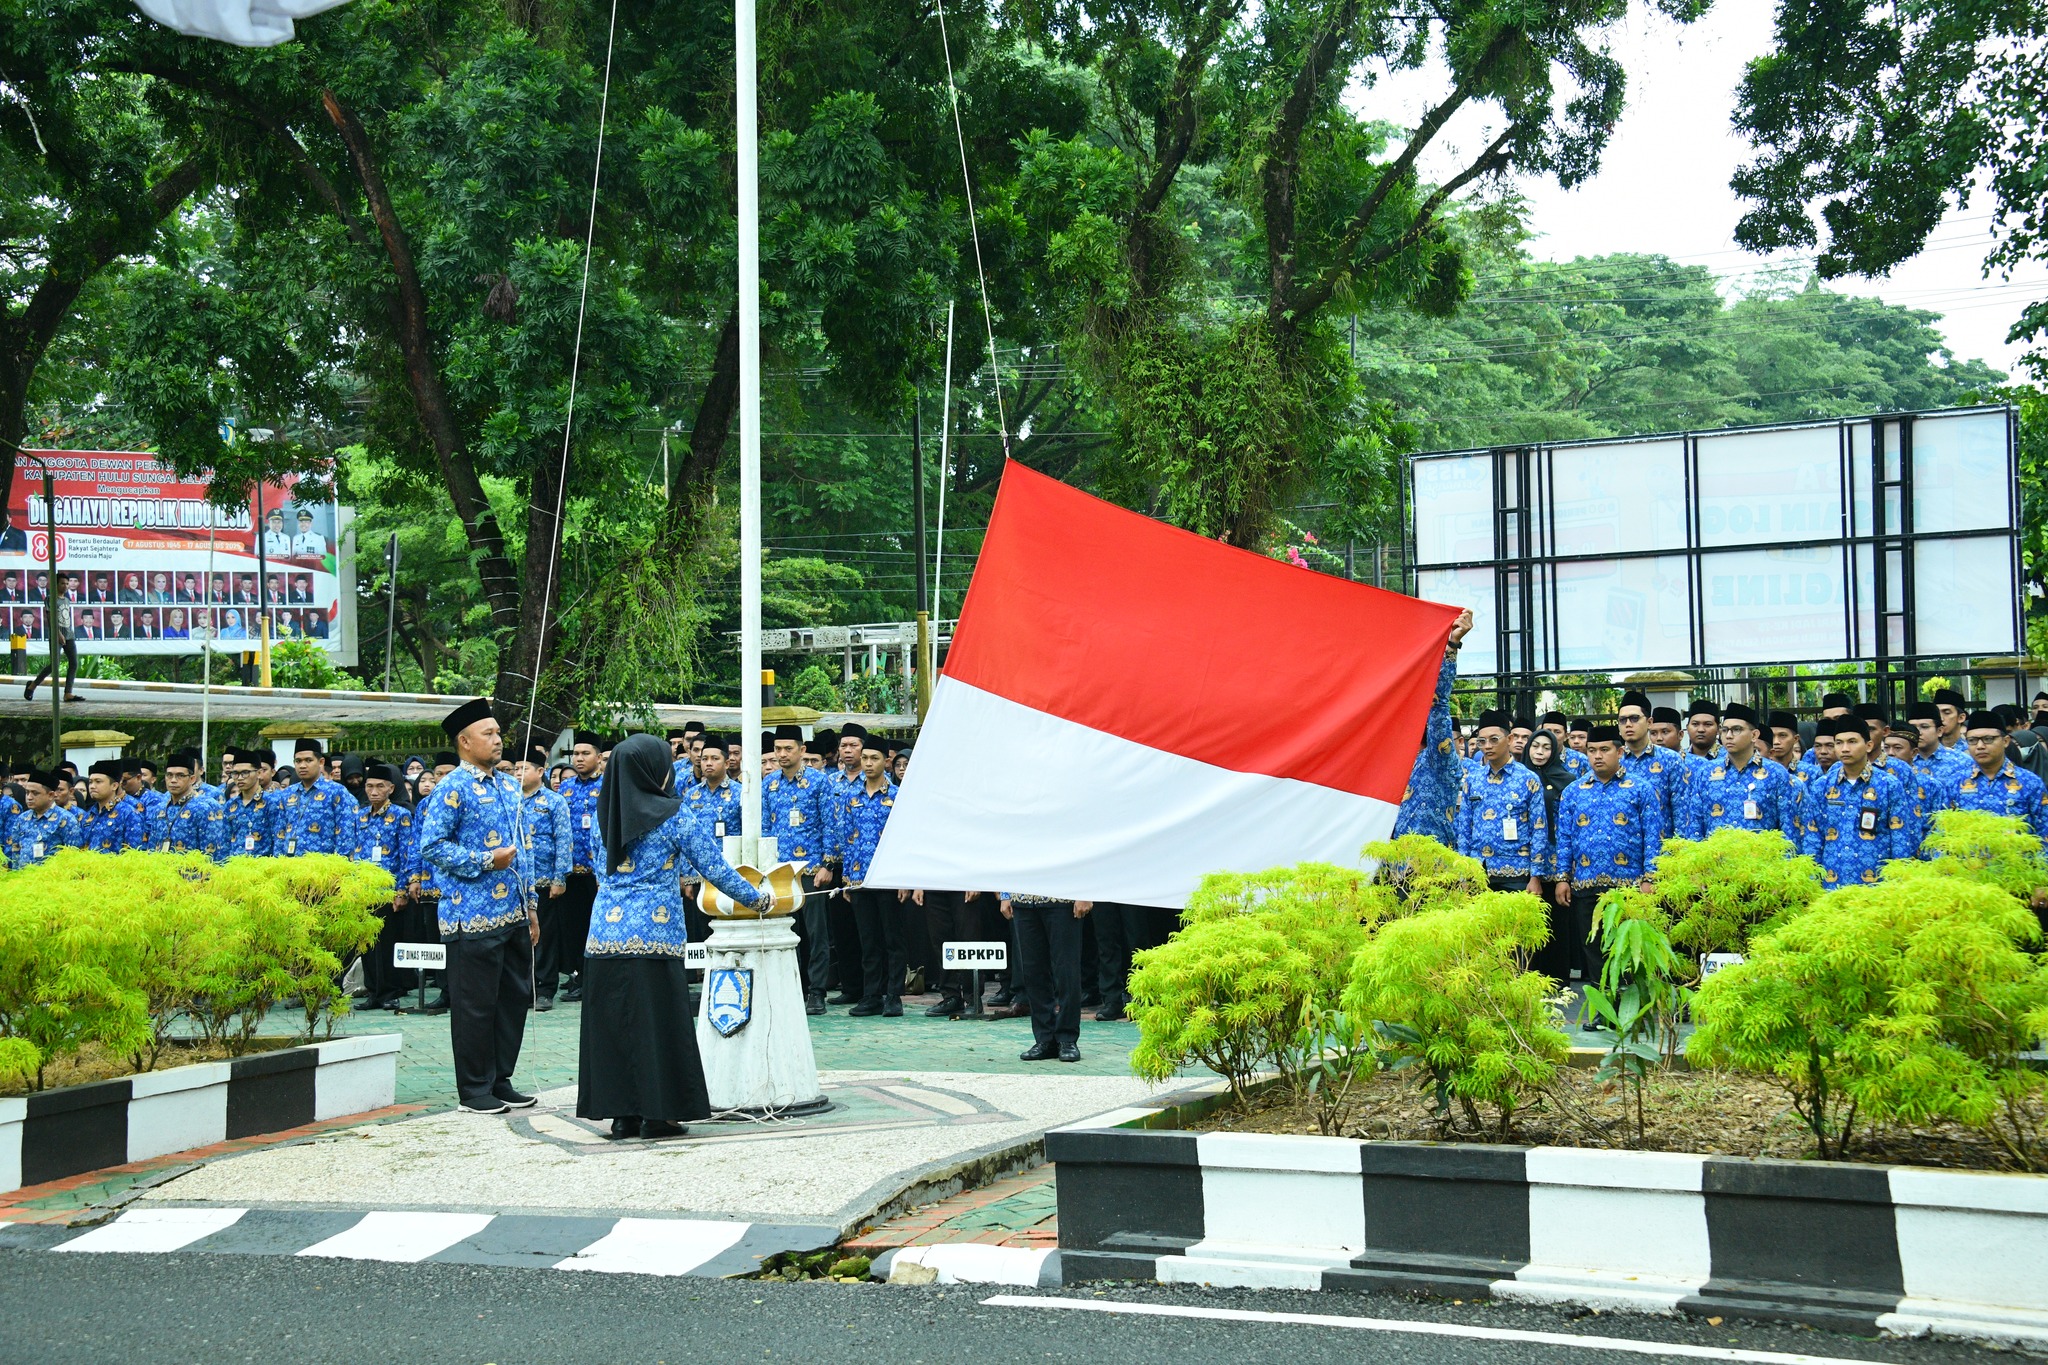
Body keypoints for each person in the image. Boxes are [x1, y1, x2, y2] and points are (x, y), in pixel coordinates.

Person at [579, 733, 768, 1140]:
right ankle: (659, 1115)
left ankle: (621, 1115)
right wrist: (760, 899)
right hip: (656, 933)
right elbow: (714, 870)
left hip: (604, 936)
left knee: (613, 1026)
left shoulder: (602, 814)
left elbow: (600, 871)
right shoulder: (673, 815)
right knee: (657, 1026)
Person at [417, 698, 539, 1114]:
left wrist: (533, 905)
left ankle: (500, 1079)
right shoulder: (451, 788)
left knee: (511, 1001)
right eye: (488, 733)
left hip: (515, 913)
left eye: (499, 733)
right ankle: (474, 1090)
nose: (498, 739)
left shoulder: (509, 785)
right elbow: (431, 845)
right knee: (475, 1006)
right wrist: (485, 861)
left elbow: (526, 847)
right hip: (470, 915)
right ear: (465, 742)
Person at [1550, 724, 1663, 988]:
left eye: (1604, 750)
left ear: (1620, 751)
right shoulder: (1574, 791)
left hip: (1629, 886)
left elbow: (1653, 837)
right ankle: (1603, 1009)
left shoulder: (1640, 789)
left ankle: (1630, 1006)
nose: (1597, 756)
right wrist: (1562, 878)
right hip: (1586, 884)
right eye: (1591, 751)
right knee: (1593, 947)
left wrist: (1650, 878)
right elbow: (1564, 838)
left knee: (1628, 947)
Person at [762, 724, 833, 1013]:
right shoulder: (769, 785)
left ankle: (817, 992)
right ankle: (791, 988)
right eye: (778, 749)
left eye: (788, 748)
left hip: (812, 870)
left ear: (802, 750)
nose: (781, 754)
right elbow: (765, 828)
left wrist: (827, 864)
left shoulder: (819, 782)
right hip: (779, 874)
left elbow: (830, 823)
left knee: (817, 934)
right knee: (784, 932)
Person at [1391, 608, 1475, 844]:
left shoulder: (1438, 759)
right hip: (1392, 871)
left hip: (1435, 872)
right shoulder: (1394, 764)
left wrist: (1452, 644)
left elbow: (1438, 706)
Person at [1800, 716, 1913, 886]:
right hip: (1831, 886)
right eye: (1839, 743)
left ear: (1868, 745)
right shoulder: (1821, 787)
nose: (1845, 748)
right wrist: (1811, 882)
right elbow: (1813, 838)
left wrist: (1898, 884)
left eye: (1852, 742)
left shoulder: (1889, 785)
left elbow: (1900, 839)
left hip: (1878, 886)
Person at [837, 731, 903, 1017]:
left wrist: (904, 879)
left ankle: (894, 996)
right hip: (860, 879)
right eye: (864, 758)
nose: (867, 763)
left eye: (874, 758)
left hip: (888, 879)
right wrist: (847, 883)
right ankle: (872, 994)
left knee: (893, 939)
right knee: (868, 941)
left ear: (886, 762)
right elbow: (846, 838)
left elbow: (903, 840)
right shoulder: (851, 796)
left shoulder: (898, 796)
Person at [1455, 709, 1551, 896]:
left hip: (1518, 872)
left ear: (1509, 740)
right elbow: (1464, 828)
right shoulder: (1473, 780)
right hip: (1479, 871)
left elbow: (1539, 829)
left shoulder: (1528, 779)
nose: (1487, 746)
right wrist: (1463, 872)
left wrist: (1536, 876)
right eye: (1482, 742)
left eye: (1494, 739)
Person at [350, 762, 418, 1010]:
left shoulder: (401, 815)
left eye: (380, 786)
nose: (374, 791)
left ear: (391, 788)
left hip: (389, 892)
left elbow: (408, 853)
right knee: (367, 945)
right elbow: (352, 853)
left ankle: (390, 992)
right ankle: (373, 991)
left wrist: (402, 891)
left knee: (388, 943)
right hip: (363, 891)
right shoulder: (360, 816)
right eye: (369, 786)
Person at [1678, 703, 1797, 842]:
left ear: (1754, 735)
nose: (1729, 736)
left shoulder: (1776, 774)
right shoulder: (1706, 773)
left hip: (1762, 860)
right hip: (1716, 859)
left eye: (1736, 730)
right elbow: (1695, 828)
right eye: (1725, 730)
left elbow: (1788, 829)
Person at [1000, 892, 1091, 1062]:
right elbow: (1010, 863)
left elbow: (1083, 864)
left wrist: (1084, 892)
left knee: (1066, 970)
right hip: (1023, 899)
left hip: (1063, 897)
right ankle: (1044, 1038)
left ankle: (1067, 1038)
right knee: (1032, 970)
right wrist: (1006, 894)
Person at [518, 745, 574, 1011]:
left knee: (545, 937)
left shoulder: (554, 801)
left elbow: (564, 840)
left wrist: (559, 878)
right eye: (516, 768)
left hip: (543, 881)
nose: (518, 773)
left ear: (541, 771)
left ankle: (544, 988)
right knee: (518, 937)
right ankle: (522, 988)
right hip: (516, 882)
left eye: (524, 768)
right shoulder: (509, 800)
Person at [553, 734, 605, 1004]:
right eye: (577, 754)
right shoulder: (565, 788)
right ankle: (577, 976)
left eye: (586, 753)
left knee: (594, 925)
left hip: (597, 873)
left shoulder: (608, 785)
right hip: (571, 871)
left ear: (598, 757)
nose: (580, 758)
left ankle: (593, 979)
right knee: (572, 928)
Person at [1940, 710, 2048, 841]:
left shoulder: (2030, 783)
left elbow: (2044, 832)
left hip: (2016, 860)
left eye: (1988, 739)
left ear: (2006, 741)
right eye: (1972, 740)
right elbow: (1941, 834)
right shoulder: (1954, 783)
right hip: (1968, 860)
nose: (1980, 746)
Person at [275, 738, 357, 856]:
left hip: (324, 868)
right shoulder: (287, 793)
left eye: (308, 760)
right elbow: (280, 833)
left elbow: (346, 834)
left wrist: (340, 867)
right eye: (298, 761)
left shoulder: (336, 791)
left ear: (321, 762)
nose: (302, 765)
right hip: (289, 866)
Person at [1615, 690, 1684, 829]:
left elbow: (1681, 810)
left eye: (1634, 718)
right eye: (1623, 720)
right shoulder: (1613, 759)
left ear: (1649, 722)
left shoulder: (1670, 759)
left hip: (1663, 845)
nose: (1628, 724)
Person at [153, 751, 226, 859]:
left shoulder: (203, 808)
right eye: (169, 775)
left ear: (191, 779)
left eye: (180, 775)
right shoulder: (160, 808)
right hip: (162, 872)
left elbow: (212, 852)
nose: (173, 780)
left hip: (192, 873)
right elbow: (152, 847)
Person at [23, 572, 79, 704]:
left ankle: (68, 693)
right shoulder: (50, 598)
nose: (65, 586)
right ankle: (32, 685)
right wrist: (58, 633)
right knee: (54, 665)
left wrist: (67, 633)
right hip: (56, 635)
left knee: (74, 663)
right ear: (55, 584)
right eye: (62, 583)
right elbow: (50, 618)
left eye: (67, 584)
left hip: (69, 635)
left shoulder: (67, 599)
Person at [5, 771, 79, 867]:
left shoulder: (66, 819)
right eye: (27, 793)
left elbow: (74, 855)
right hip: (23, 879)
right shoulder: (22, 819)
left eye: (35, 793)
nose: (29, 797)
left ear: (51, 795)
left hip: (52, 879)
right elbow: (15, 852)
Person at [77, 759, 147, 851]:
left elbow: (134, 853)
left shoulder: (128, 814)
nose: (92, 786)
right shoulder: (88, 815)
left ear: (114, 786)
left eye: (98, 782)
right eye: (90, 782)